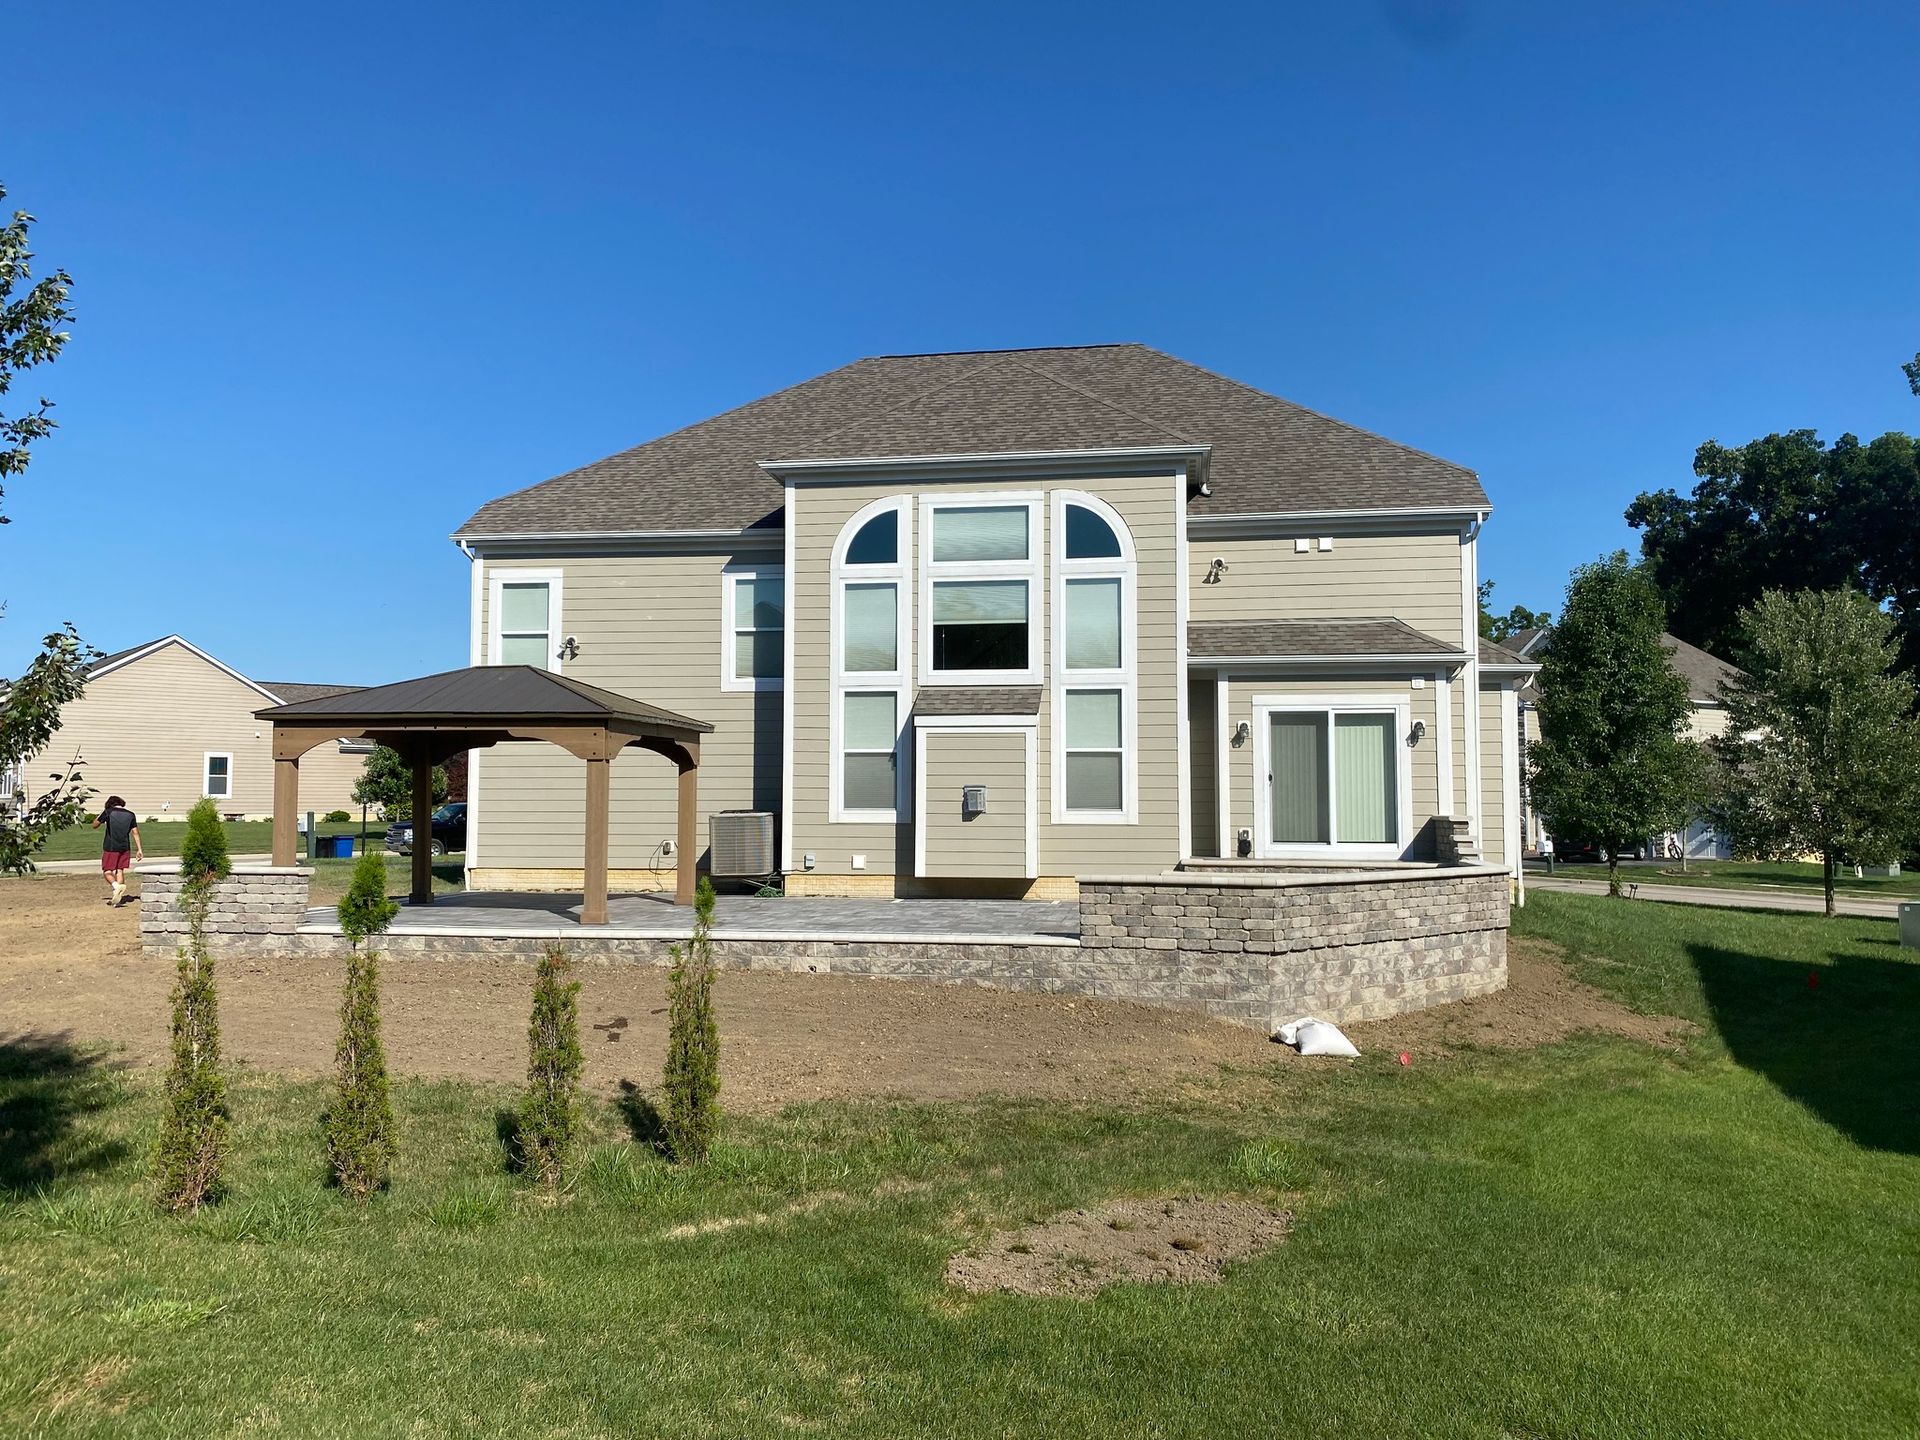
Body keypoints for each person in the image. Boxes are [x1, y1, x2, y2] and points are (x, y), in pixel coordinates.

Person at [92, 795, 142, 907]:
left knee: (107, 871)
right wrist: (139, 849)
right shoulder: (130, 814)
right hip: (125, 847)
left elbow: (95, 825)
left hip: (110, 847)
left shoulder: (108, 812)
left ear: (110, 803)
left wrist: (99, 816)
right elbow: (135, 832)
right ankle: (118, 898)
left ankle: (116, 886)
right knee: (119, 870)